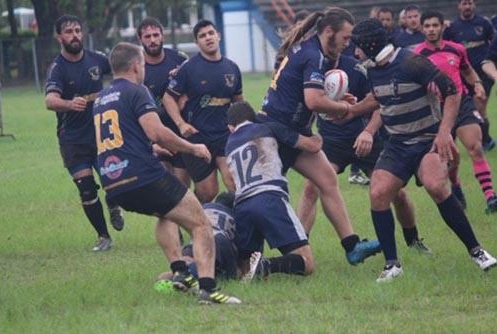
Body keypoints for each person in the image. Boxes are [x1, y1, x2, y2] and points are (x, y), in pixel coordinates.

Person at [349, 18, 496, 282]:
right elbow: (377, 99)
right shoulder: (373, 68)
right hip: (397, 143)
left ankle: (477, 251)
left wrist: (443, 132)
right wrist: (348, 110)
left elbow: (451, 90)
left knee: (435, 185)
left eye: (357, 46)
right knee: (379, 192)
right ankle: (392, 265)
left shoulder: (410, 62)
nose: (354, 51)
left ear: (369, 45)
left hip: (428, 139)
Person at [93, 42, 240, 304]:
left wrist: (153, 149)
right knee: (201, 223)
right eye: (144, 65)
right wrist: (192, 148)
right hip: (143, 176)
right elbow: (156, 131)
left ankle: (181, 272)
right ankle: (208, 289)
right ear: (136, 65)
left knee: (167, 213)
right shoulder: (137, 91)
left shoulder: (102, 98)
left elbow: (122, 136)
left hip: (113, 183)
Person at [259, 7, 381, 265]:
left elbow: (313, 93)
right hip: (276, 133)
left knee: (326, 180)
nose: (348, 44)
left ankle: (352, 246)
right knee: (261, 197)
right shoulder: (312, 55)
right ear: (329, 32)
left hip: (293, 130)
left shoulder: (316, 52)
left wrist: (335, 100)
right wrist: (346, 108)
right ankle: (239, 249)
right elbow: (313, 100)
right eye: (346, 38)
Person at [297, 52, 431, 254]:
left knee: (396, 192)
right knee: (311, 188)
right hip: (331, 141)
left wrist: (368, 131)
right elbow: (307, 104)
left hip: (363, 136)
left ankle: (413, 241)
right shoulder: (311, 68)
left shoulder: (356, 69)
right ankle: (299, 247)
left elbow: (381, 104)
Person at [44, 15, 124, 252]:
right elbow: (49, 100)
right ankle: (103, 236)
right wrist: (69, 104)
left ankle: (113, 204)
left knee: (114, 181)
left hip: (103, 134)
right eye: (68, 31)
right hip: (73, 139)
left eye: (78, 30)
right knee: (86, 188)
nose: (75, 35)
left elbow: (122, 71)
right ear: (59, 37)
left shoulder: (97, 59)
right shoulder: (57, 68)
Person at [226, 101, 320, 279]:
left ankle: (249, 269)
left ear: (231, 127)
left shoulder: (229, 143)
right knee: (307, 263)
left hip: (242, 207)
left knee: (243, 269)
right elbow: (311, 146)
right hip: (269, 199)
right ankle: (266, 265)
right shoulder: (270, 128)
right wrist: (318, 138)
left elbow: (231, 181)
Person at [415, 10, 497, 214]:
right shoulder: (417, 55)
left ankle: (491, 198)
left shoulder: (457, 49)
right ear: (422, 29)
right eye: (427, 26)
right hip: (437, 112)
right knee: (450, 157)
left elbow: (467, 70)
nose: (431, 29)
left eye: (435, 25)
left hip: (462, 104)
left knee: (475, 147)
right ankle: (455, 184)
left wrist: (477, 84)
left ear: (443, 27)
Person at [163, 20, 242, 203]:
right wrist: (181, 124)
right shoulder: (188, 68)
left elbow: (239, 101)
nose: (208, 38)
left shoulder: (232, 68)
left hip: (224, 135)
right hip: (198, 137)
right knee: (208, 192)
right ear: (197, 42)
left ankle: (240, 227)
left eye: (210, 33)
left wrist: (243, 126)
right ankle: (195, 219)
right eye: (202, 36)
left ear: (218, 36)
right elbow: (168, 98)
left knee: (234, 182)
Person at [137, 17, 190, 185]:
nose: (152, 40)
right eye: (147, 37)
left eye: (156, 35)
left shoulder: (180, 59)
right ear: (140, 39)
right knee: (165, 186)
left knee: (182, 186)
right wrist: (151, 142)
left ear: (162, 36)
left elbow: (195, 85)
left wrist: (184, 97)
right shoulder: (137, 67)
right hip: (154, 134)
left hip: (180, 131)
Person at [444, 0, 495, 151]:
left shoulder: (484, 23)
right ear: (459, 6)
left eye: (470, 3)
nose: (467, 6)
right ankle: (484, 140)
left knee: (480, 105)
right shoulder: (452, 27)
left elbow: (493, 43)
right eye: (464, 3)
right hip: (462, 74)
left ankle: (483, 142)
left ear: (474, 5)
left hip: (482, 74)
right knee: (465, 108)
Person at [156, 192, 239, 281]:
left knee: (201, 261)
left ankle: (184, 266)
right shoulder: (234, 215)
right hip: (218, 240)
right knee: (231, 276)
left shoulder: (205, 207)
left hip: (196, 243)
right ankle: (184, 275)